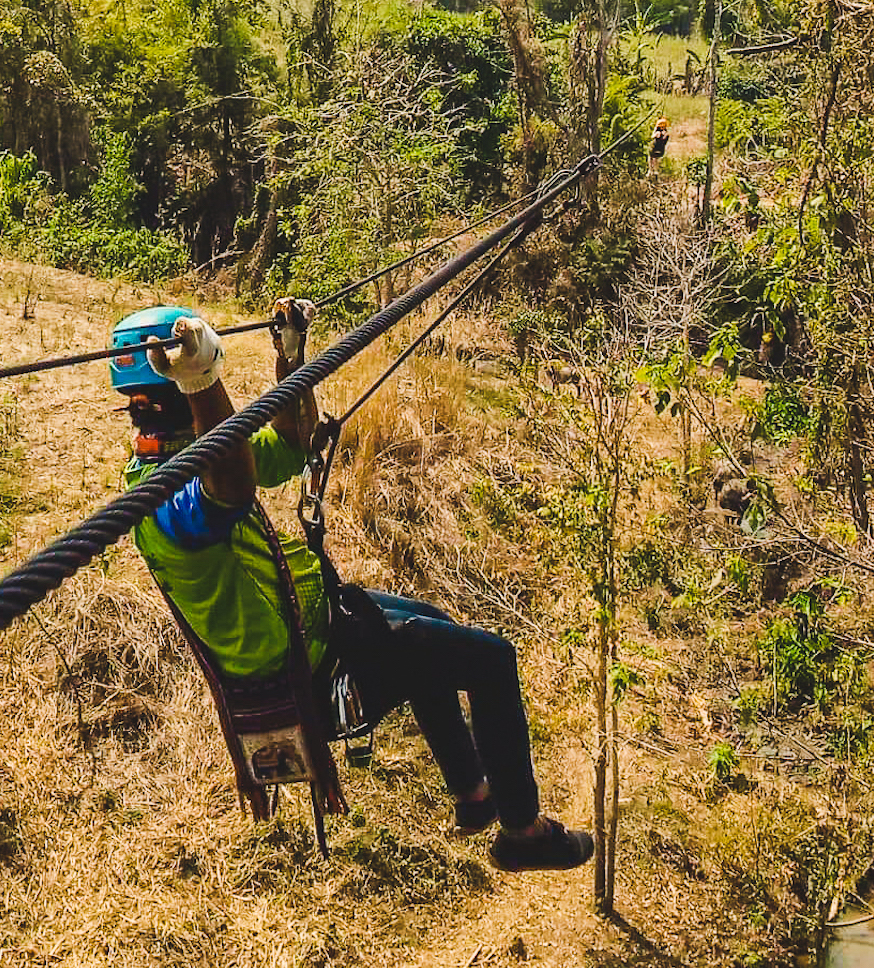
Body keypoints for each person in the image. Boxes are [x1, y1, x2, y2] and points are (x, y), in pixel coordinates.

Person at [111, 303, 593, 874]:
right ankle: (524, 832)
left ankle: (474, 795)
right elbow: (232, 488)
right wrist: (204, 382)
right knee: (491, 659)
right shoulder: (162, 503)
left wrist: (291, 359)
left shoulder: (192, 458)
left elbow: (292, 442)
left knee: (431, 622)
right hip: (308, 660)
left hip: (322, 622)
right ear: (177, 397)